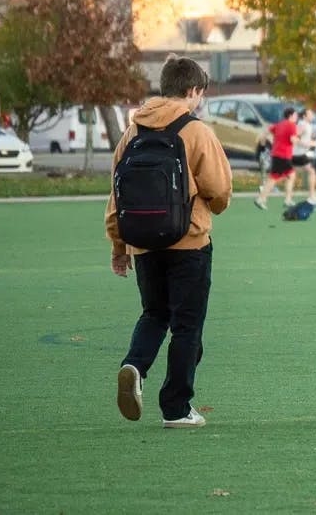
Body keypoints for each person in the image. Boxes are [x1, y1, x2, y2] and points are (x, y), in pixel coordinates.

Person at [106, 55, 232, 428]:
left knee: (154, 313)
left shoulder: (133, 132)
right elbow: (220, 190)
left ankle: (134, 365)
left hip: (143, 242)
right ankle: (176, 408)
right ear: (193, 91)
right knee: (187, 325)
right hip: (189, 242)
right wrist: (209, 205)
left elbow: (117, 193)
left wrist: (119, 246)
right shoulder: (196, 131)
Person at [255, 107, 298, 210]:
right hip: (283, 156)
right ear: (291, 115)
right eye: (296, 115)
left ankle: (287, 200)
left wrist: (263, 141)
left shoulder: (279, 124)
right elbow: (292, 140)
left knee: (290, 175)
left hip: (277, 155)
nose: (297, 117)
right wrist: (300, 141)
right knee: (274, 178)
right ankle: (261, 199)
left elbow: (266, 131)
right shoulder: (292, 125)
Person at [292, 107, 316, 205]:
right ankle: (311, 195)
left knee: (291, 174)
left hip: (300, 153)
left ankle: (289, 196)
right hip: (298, 153)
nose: (312, 116)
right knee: (312, 171)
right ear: (304, 116)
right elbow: (295, 138)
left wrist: (313, 142)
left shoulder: (308, 125)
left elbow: (306, 138)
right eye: (310, 114)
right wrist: (305, 144)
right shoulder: (302, 124)